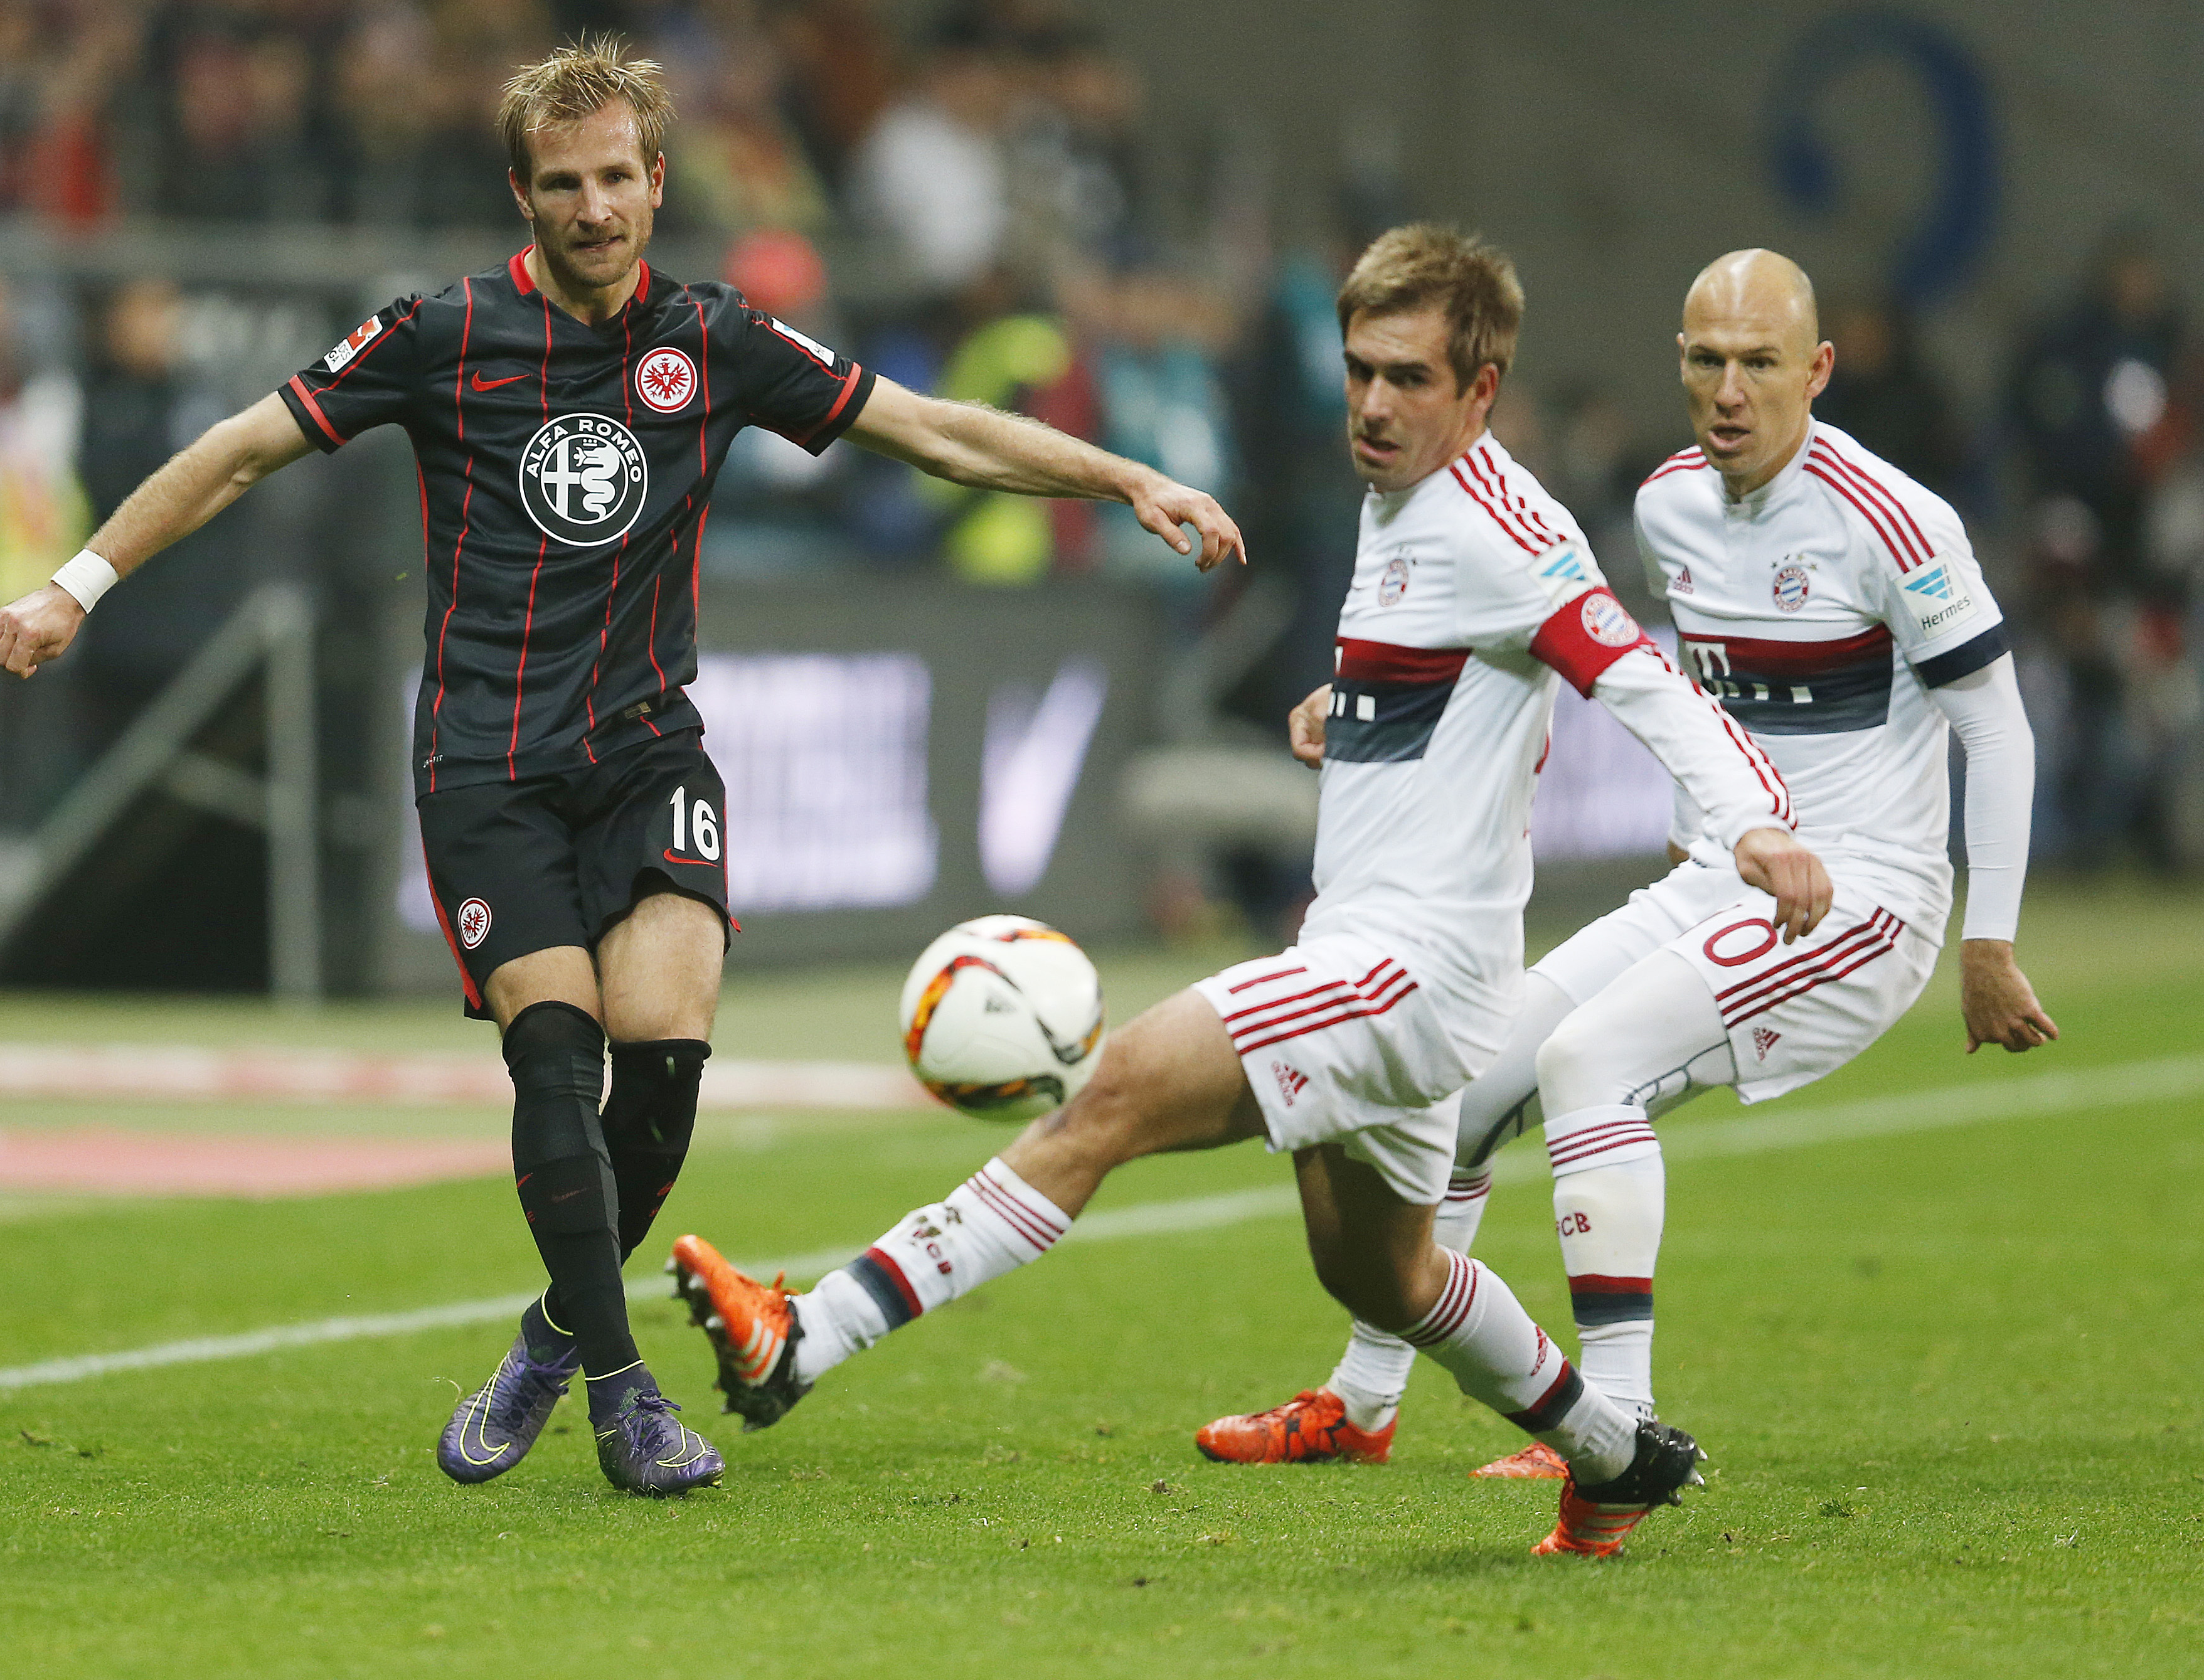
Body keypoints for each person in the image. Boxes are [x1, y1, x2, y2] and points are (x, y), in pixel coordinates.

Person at [0, 37, 1240, 1501]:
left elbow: (936, 430)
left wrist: (1127, 475)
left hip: (645, 753)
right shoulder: (440, 333)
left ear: (655, 181)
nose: (594, 207)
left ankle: (543, 1340)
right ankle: (621, 1390)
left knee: (663, 1068)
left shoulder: (717, 339)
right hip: (486, 766)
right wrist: (76, 582)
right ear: (522, 193)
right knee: (558, 1055)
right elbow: (245, 448)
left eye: (618, 178)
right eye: (563, 183)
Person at [669, 225, 1832, 1558]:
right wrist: (1367, 706)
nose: (1376, 406)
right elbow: (1472, 674)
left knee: (1108, 1096)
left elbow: (1635, 674)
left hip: (1407, 972)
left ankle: (802, 1336)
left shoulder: (1500, 525)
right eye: (1359, 373)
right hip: (1393, 958)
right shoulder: (1402, 505)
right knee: (1383, 1276)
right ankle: (1613, 1455)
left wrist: (1756, 826)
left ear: (1483, 387)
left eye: (1409, 378)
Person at [1195, 249, 2052, 1492]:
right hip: (1725, 878)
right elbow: (1611, 662)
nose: (1729, 389)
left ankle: (1618, 1426)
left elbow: (1997, 724)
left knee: (1591, 1064)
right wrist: (1370, 696)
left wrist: (1991, 938)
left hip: (1865, 895)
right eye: (1706, 360)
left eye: (1760, 363)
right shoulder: (1667, 505)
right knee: (1473, 1080)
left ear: (1817, 370)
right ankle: (1364, 1400)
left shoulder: (1895, 521)